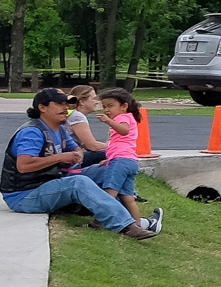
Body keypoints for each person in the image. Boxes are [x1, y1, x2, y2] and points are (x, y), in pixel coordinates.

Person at [1, 89, 158, 239]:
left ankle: (132, 219)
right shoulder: (32, 132)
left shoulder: (59, 128)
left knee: (110, 169)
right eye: (60, 104)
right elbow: (24, 166)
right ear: (42, 108)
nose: (66, 107)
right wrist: (60, 157)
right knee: (78, 183)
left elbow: (75, 148)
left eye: (67, 103)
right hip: (25, 194)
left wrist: (77, 154)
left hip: (52, 181)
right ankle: (127, 226)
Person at [83, 88, 150, 225]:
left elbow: (124, 131)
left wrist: (108, 121)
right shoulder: (128, 117)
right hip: (129, 161)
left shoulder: (122, 117)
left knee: (109, 193)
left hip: (121, 161)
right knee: (127, 197)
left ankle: (97, 222)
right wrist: (109, 160)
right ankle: (137, 224)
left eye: (110, 106)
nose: (107, 110)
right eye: (104, 107)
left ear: (124, 106)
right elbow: (121, 144)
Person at [62, 84, 108, 168]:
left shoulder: (71, 113)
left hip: (64, 155)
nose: (97, 102)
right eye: (94, 98)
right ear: (82, 102)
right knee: (109, 154)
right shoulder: (77, 116)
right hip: (68, 159)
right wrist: (116, 146)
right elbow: (92, 146)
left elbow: (85, 145)